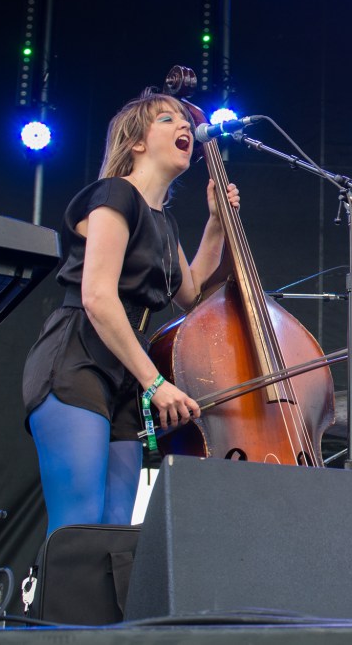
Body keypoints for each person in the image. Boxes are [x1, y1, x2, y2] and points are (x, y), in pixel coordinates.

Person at [22, 91, 240, 536]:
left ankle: (104, 610)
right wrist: (155, 383)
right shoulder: (114, 195)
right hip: (77, 358)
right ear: (137, 141)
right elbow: (98, 297)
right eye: (168, 119)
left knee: (115, 529)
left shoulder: (164, 221)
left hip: (125, 369)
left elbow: (190, 290)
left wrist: (216, 222)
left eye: (186, 120)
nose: (184, 126)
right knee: (78, 524)